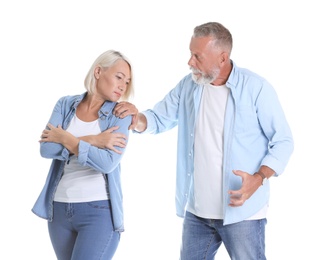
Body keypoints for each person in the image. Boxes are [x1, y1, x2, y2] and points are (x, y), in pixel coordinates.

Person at [112, 22, 294, 259]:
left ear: (222, 58)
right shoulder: (189, 86)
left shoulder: (256, 88)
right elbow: (157, 118)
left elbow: (283, 140)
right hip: (197, 212)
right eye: (190, 54)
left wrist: (258, 179)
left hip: (242, 213)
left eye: (197, 56)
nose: (190, 62)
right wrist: (137, 119)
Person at [32, 49, 134, 260]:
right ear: (98, 72)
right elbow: (46, 149)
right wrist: (94, 140)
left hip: (98, 210)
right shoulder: (65, 104)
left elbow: (107, 163)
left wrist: (65, 138)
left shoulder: (120, 115)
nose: (123, 86)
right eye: (119, 77)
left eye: (127, 81)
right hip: (59, 208)